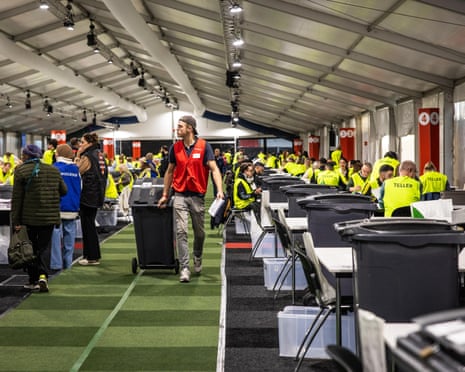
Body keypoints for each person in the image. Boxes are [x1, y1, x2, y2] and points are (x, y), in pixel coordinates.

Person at [158, 115, 224, 283]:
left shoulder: (204, 146)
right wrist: (165, 194)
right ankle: (185, 267)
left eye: (180, 126)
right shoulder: (175, 148)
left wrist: (219, 190)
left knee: (199, 233)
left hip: (197, 196)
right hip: (179, 194)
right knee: (180, 231)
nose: (177, 129)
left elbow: (214, 169)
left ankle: (198, 255)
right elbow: (170, 171)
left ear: (190, 128)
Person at [11, 144, 67, 292]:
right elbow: (64, 190)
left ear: (26, 156)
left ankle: (33, 279)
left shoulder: (20, 171)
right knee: (43, 247)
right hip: (49, 217)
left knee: (29, 248)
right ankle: (43, 276)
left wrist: (15, 221)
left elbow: (17, 199)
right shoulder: (53, 170)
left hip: (28, 219)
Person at [75, 133, 108, 266]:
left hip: (88, 195)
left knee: (87, 226)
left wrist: (78, 155)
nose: (80, 145)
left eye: (82, 142)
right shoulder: (99, 155)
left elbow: (77, 171)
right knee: (90, 225)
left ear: (89, 143)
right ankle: (92, 255)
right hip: (97, 194)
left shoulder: (88, 156)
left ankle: (91, 257)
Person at [50, 144, 81, 270]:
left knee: (55, 236)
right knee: (70, 237)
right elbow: (80, 188)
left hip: (57, 207)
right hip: (72, 207)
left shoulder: (54, 168)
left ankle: (56, 264)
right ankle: (68, 262)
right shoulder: (75, 169)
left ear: (58, 154)